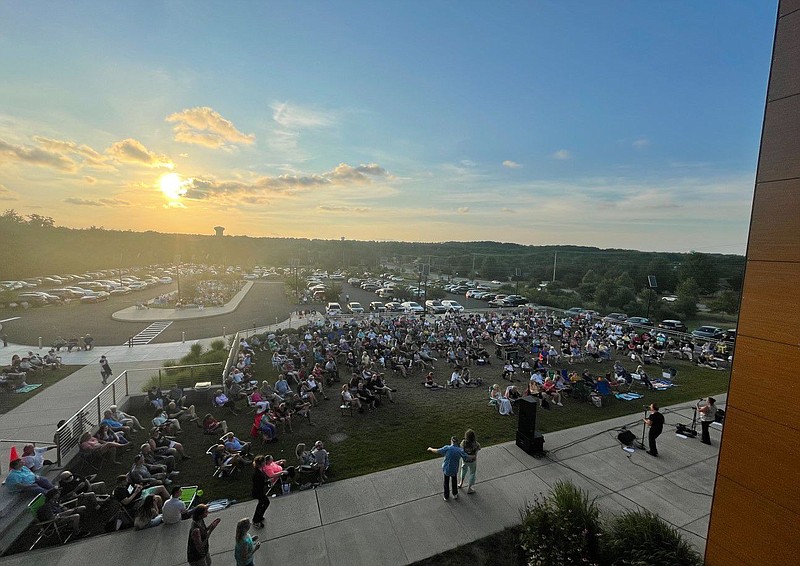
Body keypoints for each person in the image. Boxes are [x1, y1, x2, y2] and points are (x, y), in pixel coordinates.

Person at [426, 436, 471, 501]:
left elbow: (437, 451)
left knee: (446, 483)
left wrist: (430, 449)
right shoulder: (459, 450)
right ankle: (455, 494)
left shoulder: (447, 448)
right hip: (454, 469)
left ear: (451, 441)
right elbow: (466, 457)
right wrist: (473, 456)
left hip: (446, 469)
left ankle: (446, 496)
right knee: (454, 481)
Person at [250, 455, 271, 529]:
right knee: (266, 502)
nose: (265, 462)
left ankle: (258, 517)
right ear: (261, 463)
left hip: (259, 491)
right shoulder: (257, 473)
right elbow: (259, 484)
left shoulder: (259, 470)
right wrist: (266, 483)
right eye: (264, 461)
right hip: (258, 492)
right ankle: (256, 519)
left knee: (261, 503)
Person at [459, 429, 481, 494]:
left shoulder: (464, 442)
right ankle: (469, 488)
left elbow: (461, 450)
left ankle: (461, 483)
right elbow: (478, 450)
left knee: (463, 471)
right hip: (473, 461)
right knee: (472, 473)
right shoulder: (476, 444)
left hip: (465, 460)